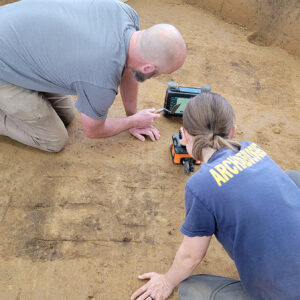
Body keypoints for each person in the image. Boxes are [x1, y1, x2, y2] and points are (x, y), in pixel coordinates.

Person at [131, 92, 300, 300]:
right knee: (291, 178)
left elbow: (191, 256)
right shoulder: (253, 149)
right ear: (233, 130)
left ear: (184, 135)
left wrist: (166, 281)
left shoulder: (200, 185)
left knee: (191, 289)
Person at [0, 0, 186, 152]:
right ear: (148, 68)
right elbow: (93, 130)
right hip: (4, 67)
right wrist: (134, 121)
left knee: (67, 116)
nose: (159, 76)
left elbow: (129, 69)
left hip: (14, 34)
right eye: (161, 73)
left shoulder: (125, 14)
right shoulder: (102, 78)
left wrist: (132, 116)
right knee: (54, 140)